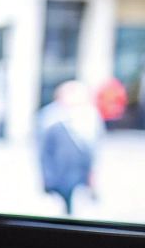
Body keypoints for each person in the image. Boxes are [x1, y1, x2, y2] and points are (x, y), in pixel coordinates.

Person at [36, 79, 102, 215]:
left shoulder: (90, 116)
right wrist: (47, 178)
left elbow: (94, 149)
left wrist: (93, 177)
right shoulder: (51, 118)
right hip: (60, 175)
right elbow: (44, 153)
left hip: (81, 175)